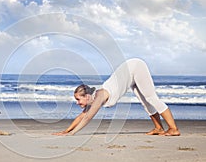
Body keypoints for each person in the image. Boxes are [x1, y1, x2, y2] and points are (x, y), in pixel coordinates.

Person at [52, 58, 180, 136]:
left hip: (135, 67)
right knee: (145, 102)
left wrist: (73, 133)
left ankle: (173, 129)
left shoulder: (99, 95)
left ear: (86, 96)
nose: (77, 102)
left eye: (78, 99)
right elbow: (81, 115)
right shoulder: (93, 99)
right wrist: (66, 131)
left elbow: (88, 117)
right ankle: (159, 128)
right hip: (129, 74)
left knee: (151, 97)